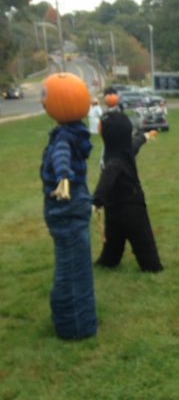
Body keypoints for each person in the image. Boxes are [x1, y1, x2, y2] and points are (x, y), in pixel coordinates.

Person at [39, 72, 97, 340]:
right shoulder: (73, 134)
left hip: (66, 208)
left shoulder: (63, 138)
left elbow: (61, 159)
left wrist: (63, 176)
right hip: (74, 207)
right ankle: (77, 323)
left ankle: (75, 326)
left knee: (71, 268)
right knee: (76, 266)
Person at [93, 112, 163, 272]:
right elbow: (136, 143)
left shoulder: (116, 160)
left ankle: (152, 266)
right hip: (113, 205)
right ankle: (109, 260)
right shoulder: (124, 149)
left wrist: (97, 198)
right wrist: (144, 136)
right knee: (113, 237)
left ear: (109, 133)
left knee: (142, 238)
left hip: (132, 206)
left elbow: (108, 177)